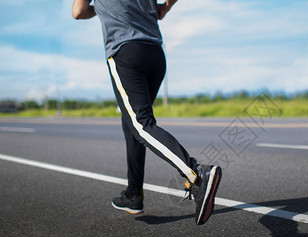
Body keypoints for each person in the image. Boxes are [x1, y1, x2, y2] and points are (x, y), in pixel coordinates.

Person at [72, 0, 222, 225]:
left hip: (125, 51)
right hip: (154, 54)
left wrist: (100, 7)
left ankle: (196, 174)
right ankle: (133, 195)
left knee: (141, 124)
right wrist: (165, 7)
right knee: (132, 125)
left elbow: (78, 11)